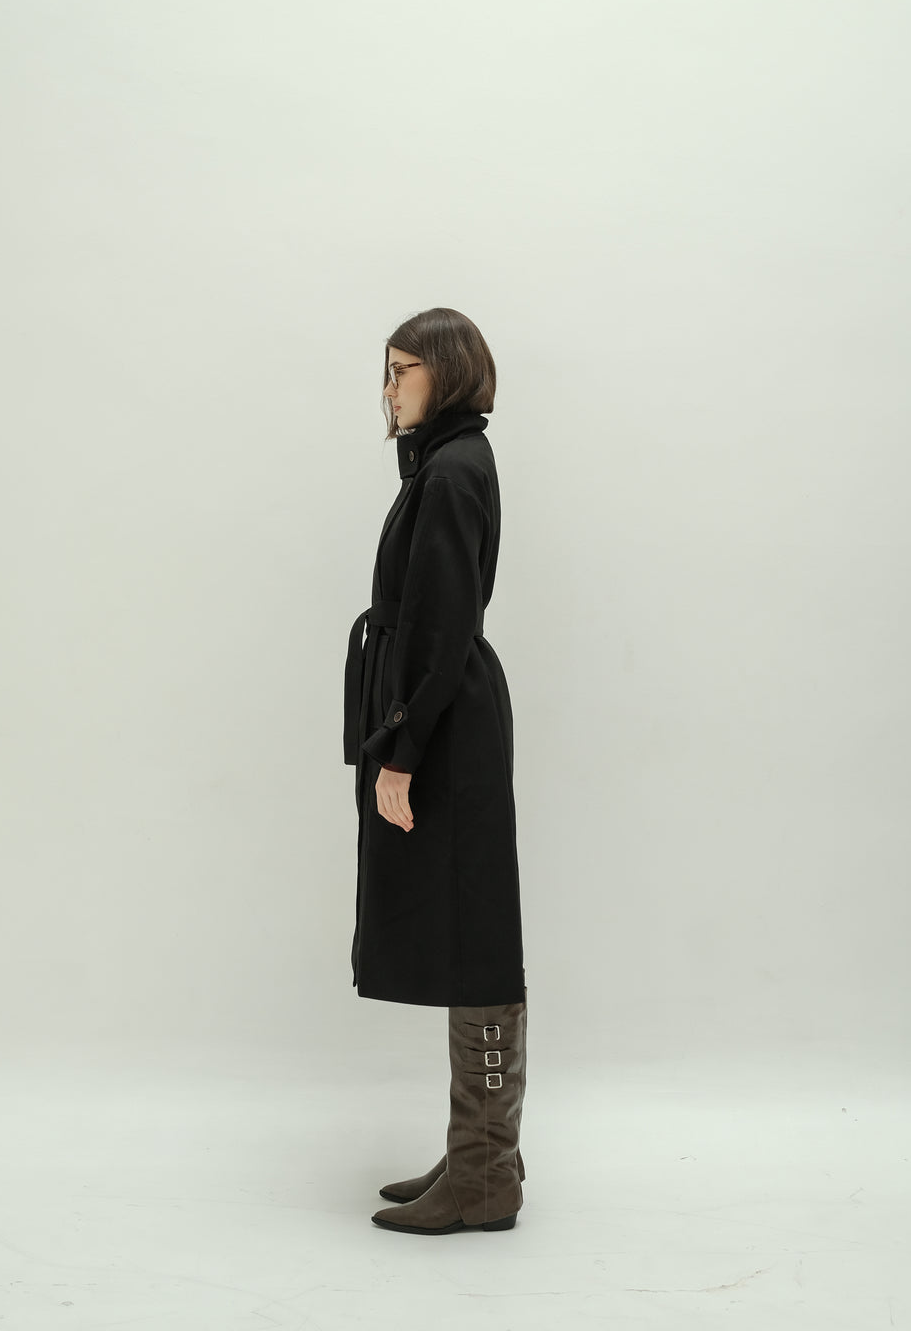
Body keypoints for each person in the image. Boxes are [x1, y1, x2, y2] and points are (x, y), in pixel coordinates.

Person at [342, 308, 528, 1235]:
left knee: (477, 933)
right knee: (462, 927)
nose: (389, 388)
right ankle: (477, 1156)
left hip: (448, 728)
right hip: (445, 718)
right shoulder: (443, 464)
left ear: (446, 373)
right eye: (385, 371)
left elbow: (441, 627)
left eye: (404, 370)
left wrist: (401, 754)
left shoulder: (452, 471)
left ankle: (486, 1173)